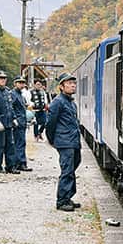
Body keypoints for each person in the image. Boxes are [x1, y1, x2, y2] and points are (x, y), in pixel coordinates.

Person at [45, 73, 81, 211]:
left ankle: (68, 196)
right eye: (69, 83)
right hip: (65, 141)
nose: (73, 85)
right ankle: (61, 201)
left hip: (73, 141)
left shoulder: (71, 102)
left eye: (74, 83)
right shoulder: (58, 102)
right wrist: (52, 140)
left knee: (73, 167)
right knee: (67, 170)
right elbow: (50, 123)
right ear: (61, 86)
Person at [10, 78, 31, 172]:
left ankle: (21, 163)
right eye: (20, 83)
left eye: (23, 83)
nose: (22, 85)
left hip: (22, 121)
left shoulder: (20, 95)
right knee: (18, 143)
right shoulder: (13, 94)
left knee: (21, 142)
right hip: (18, 122)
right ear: (15, 83)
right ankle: (17, 163)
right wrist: (14, 119)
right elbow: (11, 107)